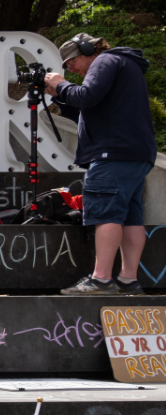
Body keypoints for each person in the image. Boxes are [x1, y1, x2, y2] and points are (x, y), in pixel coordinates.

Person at [47, 33, 157, 296]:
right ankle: (128, 280)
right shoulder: (123, 65)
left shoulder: (105, 61)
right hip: (134, 154)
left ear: (87, 50)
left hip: (112, 154)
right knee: (130, 216)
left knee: (106, 213)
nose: (71, 69)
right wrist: (59, 94)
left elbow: (87, 96)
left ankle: (101, 280)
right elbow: (87, 108)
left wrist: (61, 84)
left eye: (71, 62)